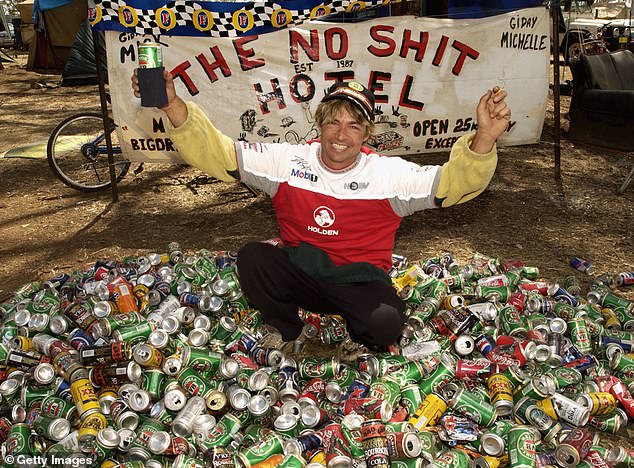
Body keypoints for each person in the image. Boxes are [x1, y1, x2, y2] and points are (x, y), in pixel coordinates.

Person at [131, 71, 511, 351]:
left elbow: (452, 185)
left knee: (386, 324)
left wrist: (484, 138)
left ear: (367, 134)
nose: (341, 135)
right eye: (333, 122)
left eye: (353, 126)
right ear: (319, 124)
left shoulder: (388, 174)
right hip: (303, 275)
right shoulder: (286, 161)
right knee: (253, 258)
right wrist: (171, 105)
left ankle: (358, 338)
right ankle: (286, 327)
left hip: (358, 283)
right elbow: (220, 154)